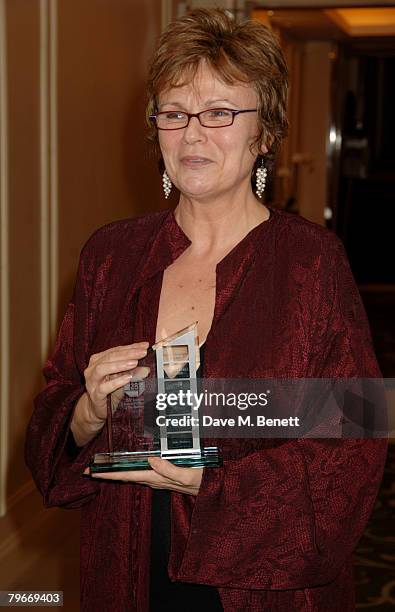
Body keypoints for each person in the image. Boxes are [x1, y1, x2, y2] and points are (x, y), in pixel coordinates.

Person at [25, 8, 387, 612]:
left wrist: (211, 486)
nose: (192, 134)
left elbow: (355, 441)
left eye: (220, 112)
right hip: (127, 561)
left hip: (261, 585)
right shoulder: (110, 256)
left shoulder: (312, 263)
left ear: (265, 133)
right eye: (173, 113)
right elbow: (54, 410)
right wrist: (85, 413)